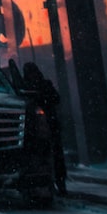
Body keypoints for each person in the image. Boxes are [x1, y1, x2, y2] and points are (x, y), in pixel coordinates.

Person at [22, 62, 67, 196]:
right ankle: (58, 183)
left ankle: (51, 182)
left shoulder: (27, 86)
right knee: (54, 156)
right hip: (47, 126)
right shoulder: (44, 85)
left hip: (38, 128)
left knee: (46, 155)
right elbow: (56, 99)